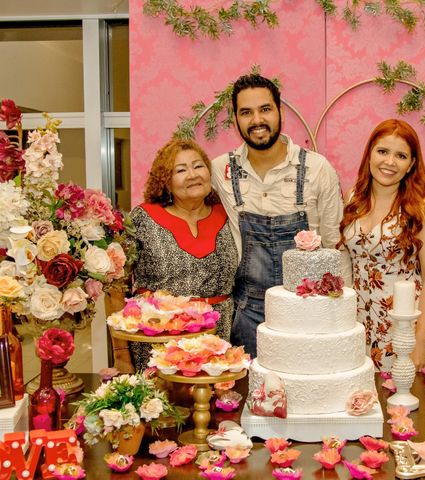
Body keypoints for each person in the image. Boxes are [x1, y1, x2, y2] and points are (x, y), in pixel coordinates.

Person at [211, 74, 348, 358]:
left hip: (308, 315)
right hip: (247, 314)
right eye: (246, 112)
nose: (257, 120)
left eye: (265, 109)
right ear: (235, 119)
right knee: (249, 397)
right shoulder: (219, 170)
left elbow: (336, 247)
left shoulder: (316, 169)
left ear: (280, 111)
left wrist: (340, 318)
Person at [112, 139, 238, 372]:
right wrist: (120, 354)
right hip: (158, 345)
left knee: (214, 407)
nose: (192, 175)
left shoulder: (228, 214)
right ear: (166, 182)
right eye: (180, 170)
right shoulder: (143, 219)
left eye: (198, 166)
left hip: (217, 343)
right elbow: (115, 285)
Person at [339, 119, 425, 372]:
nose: (390, 162)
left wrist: (419, 340)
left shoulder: (420, 207)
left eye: (401, 155)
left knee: (404, 405)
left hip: (403, 326)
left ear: (411, 165)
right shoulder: (354, 198)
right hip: (359, 323)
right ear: (369, 154)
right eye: (382, 151)